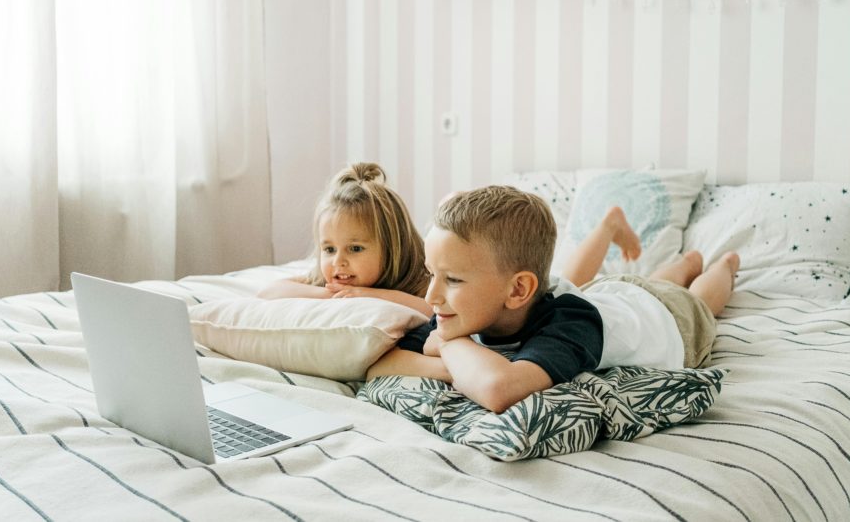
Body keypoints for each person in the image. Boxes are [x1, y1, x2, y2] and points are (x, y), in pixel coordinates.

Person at [366, 185, 739, 414]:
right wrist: (454, 366)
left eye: (453, 279)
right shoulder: (457, 307)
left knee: (700, 299)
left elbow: (499, 390)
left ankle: (722, 263)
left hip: (668, 319)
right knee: (643, 280)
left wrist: (448, 345)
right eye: (433, 274)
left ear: (517, 291)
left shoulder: (571, 323)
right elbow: (379, 366)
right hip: (610, 296)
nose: (431, 296)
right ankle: (658, 249)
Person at [259, 162, 432, 317]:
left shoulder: (422, 281)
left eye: (355, 248)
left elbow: (432, 310)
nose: (337, 261)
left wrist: (369, 295)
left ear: (394, 247)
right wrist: (337, 295)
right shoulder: (328, 283)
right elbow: (268, 292)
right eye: (329, 249)